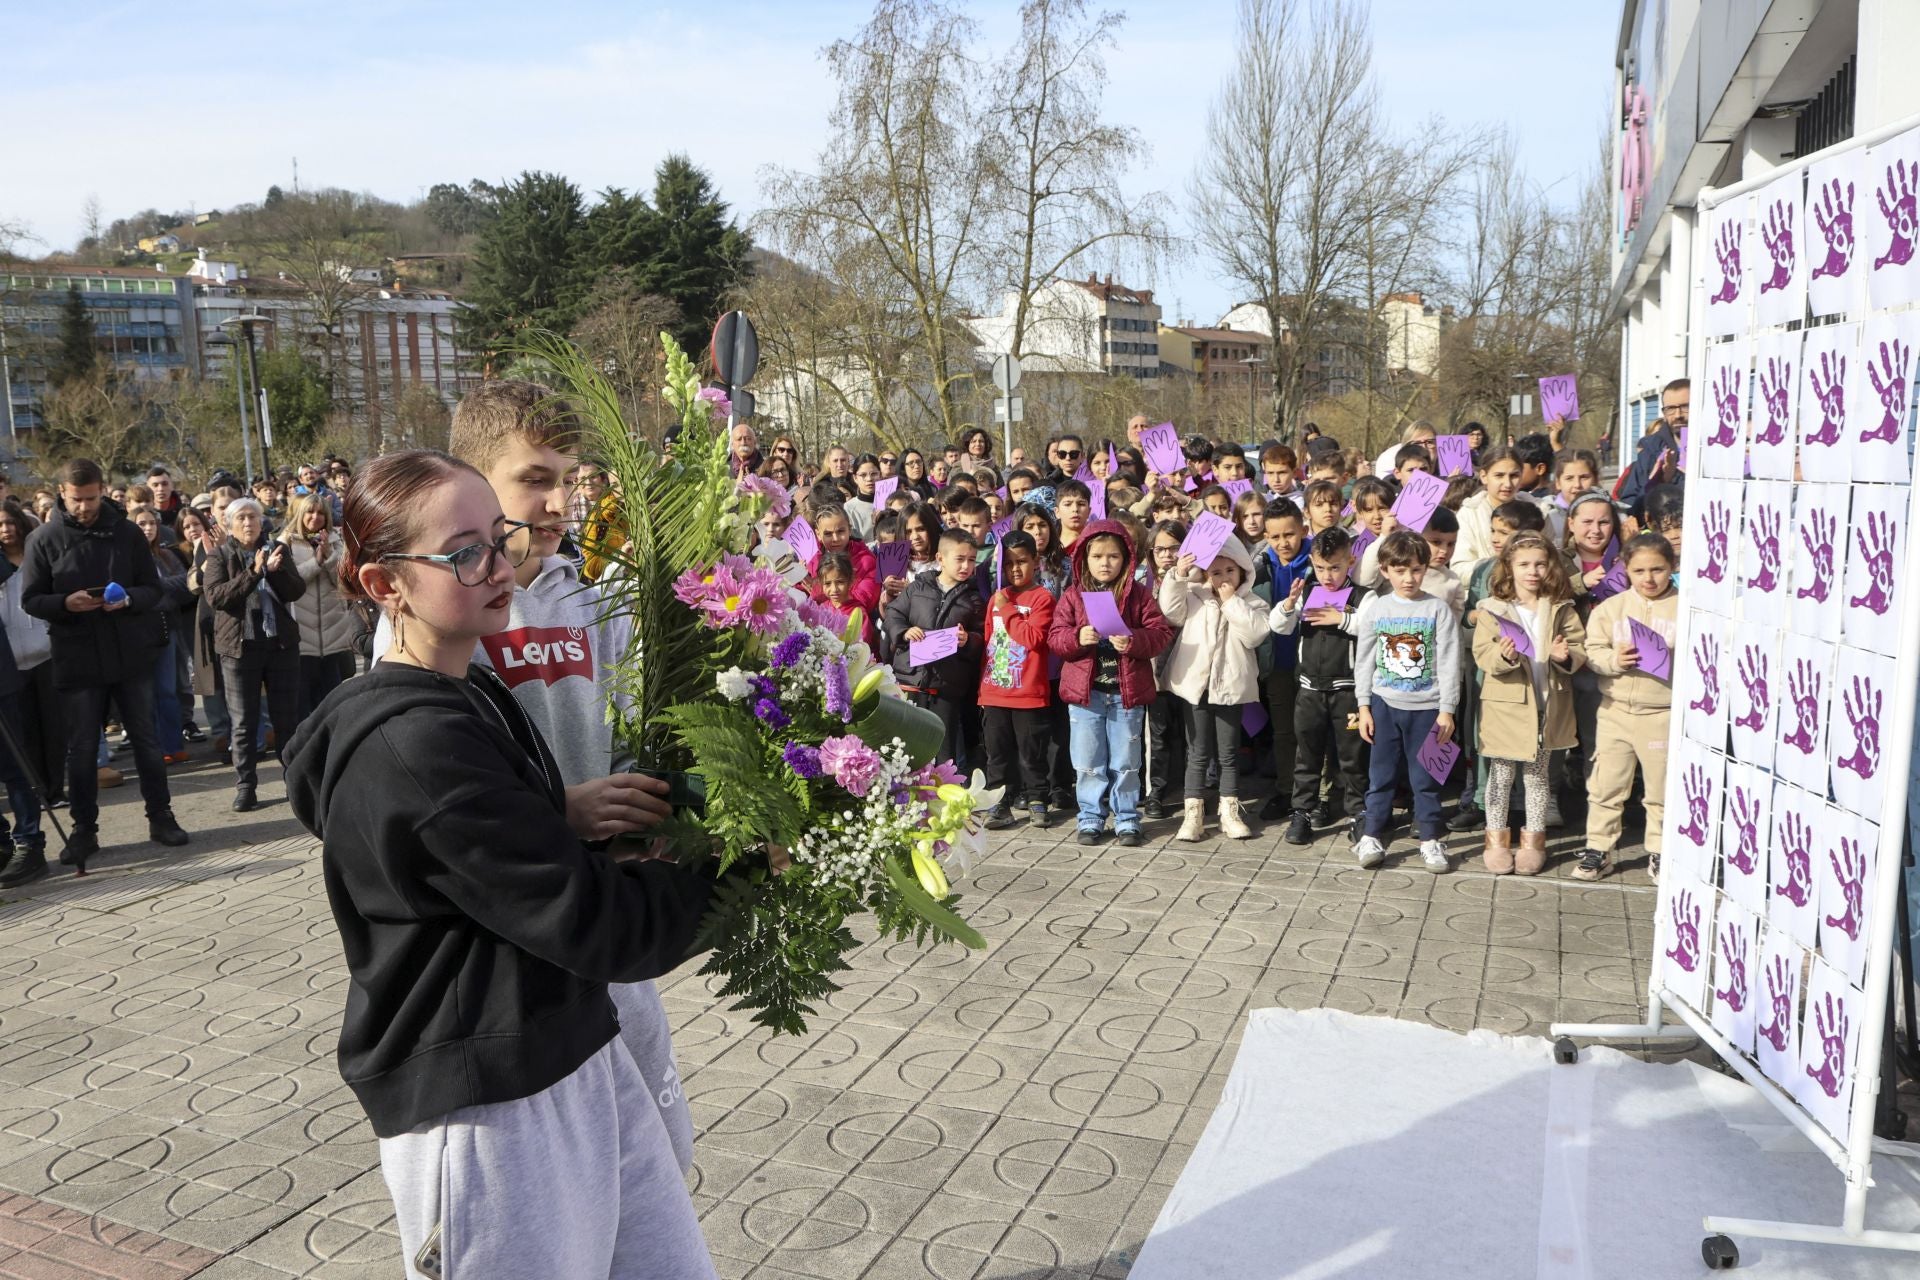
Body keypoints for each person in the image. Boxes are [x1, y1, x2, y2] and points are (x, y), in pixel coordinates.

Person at [281, 448, 717, 1279]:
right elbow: (595, 924)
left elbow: (506, 870)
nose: (497, 564)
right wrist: (741, 871)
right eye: (462, 552)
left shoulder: (470, 693)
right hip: (485, 1108)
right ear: (385, 586)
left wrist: (580, 826)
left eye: (498, 535)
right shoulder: (414, 745)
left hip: (573, 1047)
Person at [376, 379, 699, 1177]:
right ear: (476, 482)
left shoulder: (597, 596)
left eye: (571, 478)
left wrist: (647, 805)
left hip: (609, 915)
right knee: (552, 1185)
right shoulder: (436, 620)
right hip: (507, 956)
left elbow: (632, 729)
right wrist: (557, 809)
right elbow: (428, 790)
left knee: (647, 1164)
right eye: (535, 479)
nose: (560, 501)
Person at [17, 458, 190, 872]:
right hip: (77, 659)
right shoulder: (43, 539)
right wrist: (65, 603)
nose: (85, 507)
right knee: (80, 753)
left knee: (147, 742)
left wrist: (128, 599)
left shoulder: (127, 532)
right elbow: (31, 599)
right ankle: (84, 831)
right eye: (77, 500)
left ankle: (161, 817)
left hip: (130, 654)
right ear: (62, 492)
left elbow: (152, 589)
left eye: (92, 498)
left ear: (102, 490)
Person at [1047, 520, 1172, 845]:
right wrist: (1078, 637)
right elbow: (1056, 638)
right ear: (1084, 559)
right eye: (1098, 556)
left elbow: (1160, 634)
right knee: (1088, 761)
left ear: (1127, 559)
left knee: (1126, 762)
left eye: (1113, 556)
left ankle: (1127, 819)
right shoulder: (1074, 596)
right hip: (1085, 696)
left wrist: (1133, 640)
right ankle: (1090, 817)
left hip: (1125, 696)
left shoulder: (1139, 596)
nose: (1105, 563)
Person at [1471, 532, 1585, 876]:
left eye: (1539, 563)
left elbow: (1579, 648)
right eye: (1523, 564)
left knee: (1537, 779)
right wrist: (1503, 657)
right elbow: (1482, 653)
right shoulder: (1493, 608)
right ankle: (1495, 840)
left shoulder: (1562, 607)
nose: (1532, 571)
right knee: (1500, 777)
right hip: (1506, 706)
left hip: (1547, 705)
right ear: (1509, 567)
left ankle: (1534, 841)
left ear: (1551, 565)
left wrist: (1566, 657)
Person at [1353, 530, 1460, 873]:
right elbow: (1365, 660)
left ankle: (1430, 839)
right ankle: (1371, 835)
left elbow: (1449, 661)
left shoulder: (1437, 609)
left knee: (1426, 778)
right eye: (1400, 570)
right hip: (1384, 707)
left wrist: (1447, 710)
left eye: (1415, 569)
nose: (1408, 577)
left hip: (1428, 709)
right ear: (1385, 570)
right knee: (1380, 775)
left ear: (1425, 568)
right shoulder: (1377, 608)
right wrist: (1364, 705)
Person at [1576, 531, 1677, 882]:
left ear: (1672, 567)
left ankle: (1661, 850)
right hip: (1615, 710)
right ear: (1626, 570)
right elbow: (1593, 650)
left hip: (1661, 713)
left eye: (1658, 570)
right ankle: (1598, 848)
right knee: (1606, 784)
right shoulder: (1611, 608)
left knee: (1661, 788)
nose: (1649, 579)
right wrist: (1614, 660)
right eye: (1639, 571)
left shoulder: (1686, 607)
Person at [1160, 535, 1266, 843]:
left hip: (1230, 688)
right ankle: (1193, 813)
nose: (1223, 578)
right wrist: (1178, 576)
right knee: (1198, 751)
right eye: (1216, 572)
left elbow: (1255, 634)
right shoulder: (1194, 595)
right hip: (1197, 687)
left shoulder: (1251, 602)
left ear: (1242, 571)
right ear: (1206, 574)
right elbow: (1170, 611)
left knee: (1228, 752)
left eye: (1230, 571)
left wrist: (1231, 601)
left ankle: (1229, 811)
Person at [203, 497, 306, 812]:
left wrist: (273, 572)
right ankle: (246, 785)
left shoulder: (278, 549)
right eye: (241, 518)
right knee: (244, 722)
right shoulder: (220, 555)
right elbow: (217, 597)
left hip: (279, 645)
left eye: (253, 517)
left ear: (262, 521)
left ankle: (294, 781)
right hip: (239, 648)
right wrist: (255, 572)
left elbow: (295, 591)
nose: (248, 523)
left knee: (286, 719)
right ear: (229, 524)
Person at [1451, 499, 1547, 834]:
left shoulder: (1540, 572)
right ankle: (1479, 801)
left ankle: (1522, 808)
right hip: (1489, 666)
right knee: (1481, 734)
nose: (1495, 538)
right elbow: (1468, 615)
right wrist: (1473, 616)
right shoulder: (1482, 569)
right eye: (1493, 530)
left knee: (1532, 744)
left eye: (1504, 533)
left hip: (1532, 672)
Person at [1269, 526, 1368, 845]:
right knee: (1307, 756)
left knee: (1353, 757)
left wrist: (1341, 619)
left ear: (1350, 561)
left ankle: (1359, 813)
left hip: (1348, 692)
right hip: (1309, 691)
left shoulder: (1362, 596)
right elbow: (1279, 628)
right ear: (1312, 561)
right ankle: (1302, 812)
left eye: (1336, 567)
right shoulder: (1308, 592)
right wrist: (1288, 605)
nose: (1328, 575)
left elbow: (1374, 628)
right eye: (1322, 567)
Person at [882, 528, 986, 768]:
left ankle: (942, 798)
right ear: (940, 559)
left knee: (943, 749)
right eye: (959, 559)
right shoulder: (918, 588)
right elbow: (893, 613)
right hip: (909, 680)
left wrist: (967, 639)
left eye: (971, 560)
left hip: (945, 687)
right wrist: (904, 631)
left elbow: (982, 637)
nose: (966, 566)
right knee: (903, 746)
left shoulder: (973, 599)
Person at [978, 531, 1054, 829]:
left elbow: (1033, 638)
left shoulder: (1042, 598)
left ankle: (1037, 799)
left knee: (1031, 752)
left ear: (1036, 561)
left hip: (1028, 692)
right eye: (1008, 564)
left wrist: (1007, 609)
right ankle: (1000, 803)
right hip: (995, 690)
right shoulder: (998, 598)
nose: (1015, 569)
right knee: (997, 753)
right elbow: (988, 639)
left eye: (1022, 562)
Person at [0, 505, 62, 806]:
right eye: (0, 524)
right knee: (24, 732)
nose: (6, 529)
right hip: (10, 661)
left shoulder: (36, 556)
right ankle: (37, 791)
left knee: (53, 726)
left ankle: (56, 788)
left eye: (11, 522)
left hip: (46, 653)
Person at [1255, 501, 1310, 820]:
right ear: (1266, 536)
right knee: (1284, 732)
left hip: (1314, 661)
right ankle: (1286, 790)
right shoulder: (1260, 565)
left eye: (1290, 534)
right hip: (1276, 662)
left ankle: (1316, 793)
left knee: (1313, 730)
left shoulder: (1317, 562)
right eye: (1275, 537)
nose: (1283, 542)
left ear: (1304, 530)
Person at [281, 493, 357, 718]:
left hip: (332, 633)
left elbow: (343, 582)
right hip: (301, 636)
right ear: (300, 514)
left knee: (332, 699)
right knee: (304, 702)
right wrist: (316, 561)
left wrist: (330, 556)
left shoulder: (336, 541)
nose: (315, 517)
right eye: (310, 512)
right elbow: (290, 581)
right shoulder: (287, 542)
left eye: (320, 513)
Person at [129, 505, 192, 766]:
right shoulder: (126, 558)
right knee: (145, 693)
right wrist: (154, 593)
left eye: (152, 523)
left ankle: (172, 744)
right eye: (141, 524)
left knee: (168, 690)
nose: (148, 528)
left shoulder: (167, 555)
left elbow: (186, 584)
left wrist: (152, 589)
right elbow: (129, 594)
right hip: (137, 631)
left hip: (167, 628)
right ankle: (151, 747)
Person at [1142, 519, 1187, 821]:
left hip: (1188, 664)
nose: (1168, 555)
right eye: (1161, 549)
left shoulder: (1194, 579)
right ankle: (1155, 792)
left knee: (1186, 733)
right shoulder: (1142, 583)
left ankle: (1188, 789)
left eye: (1175, 548)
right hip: (1154, 668)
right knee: (1156, 735)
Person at [1614, 379, 1689, 519]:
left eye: (1685, 407)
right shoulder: (1650, 449)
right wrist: (1660, 481)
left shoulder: (1717, 447)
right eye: (1670, 408)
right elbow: (1631, 506)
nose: (1678, 415)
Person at [1451, 445, 1526, 572]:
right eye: (1499, 475)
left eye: (1514, 475)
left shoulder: (1536, 509)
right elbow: (1459, 568)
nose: (1507, 484)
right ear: (1484, 476)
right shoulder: (1469, 514)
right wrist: (1502, 567)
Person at [1373, 422, 1437, 479]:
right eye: (1417, 443)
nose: (1424, 447)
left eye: (1430, 442)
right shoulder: (1391, 485)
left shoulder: (1445, 465)